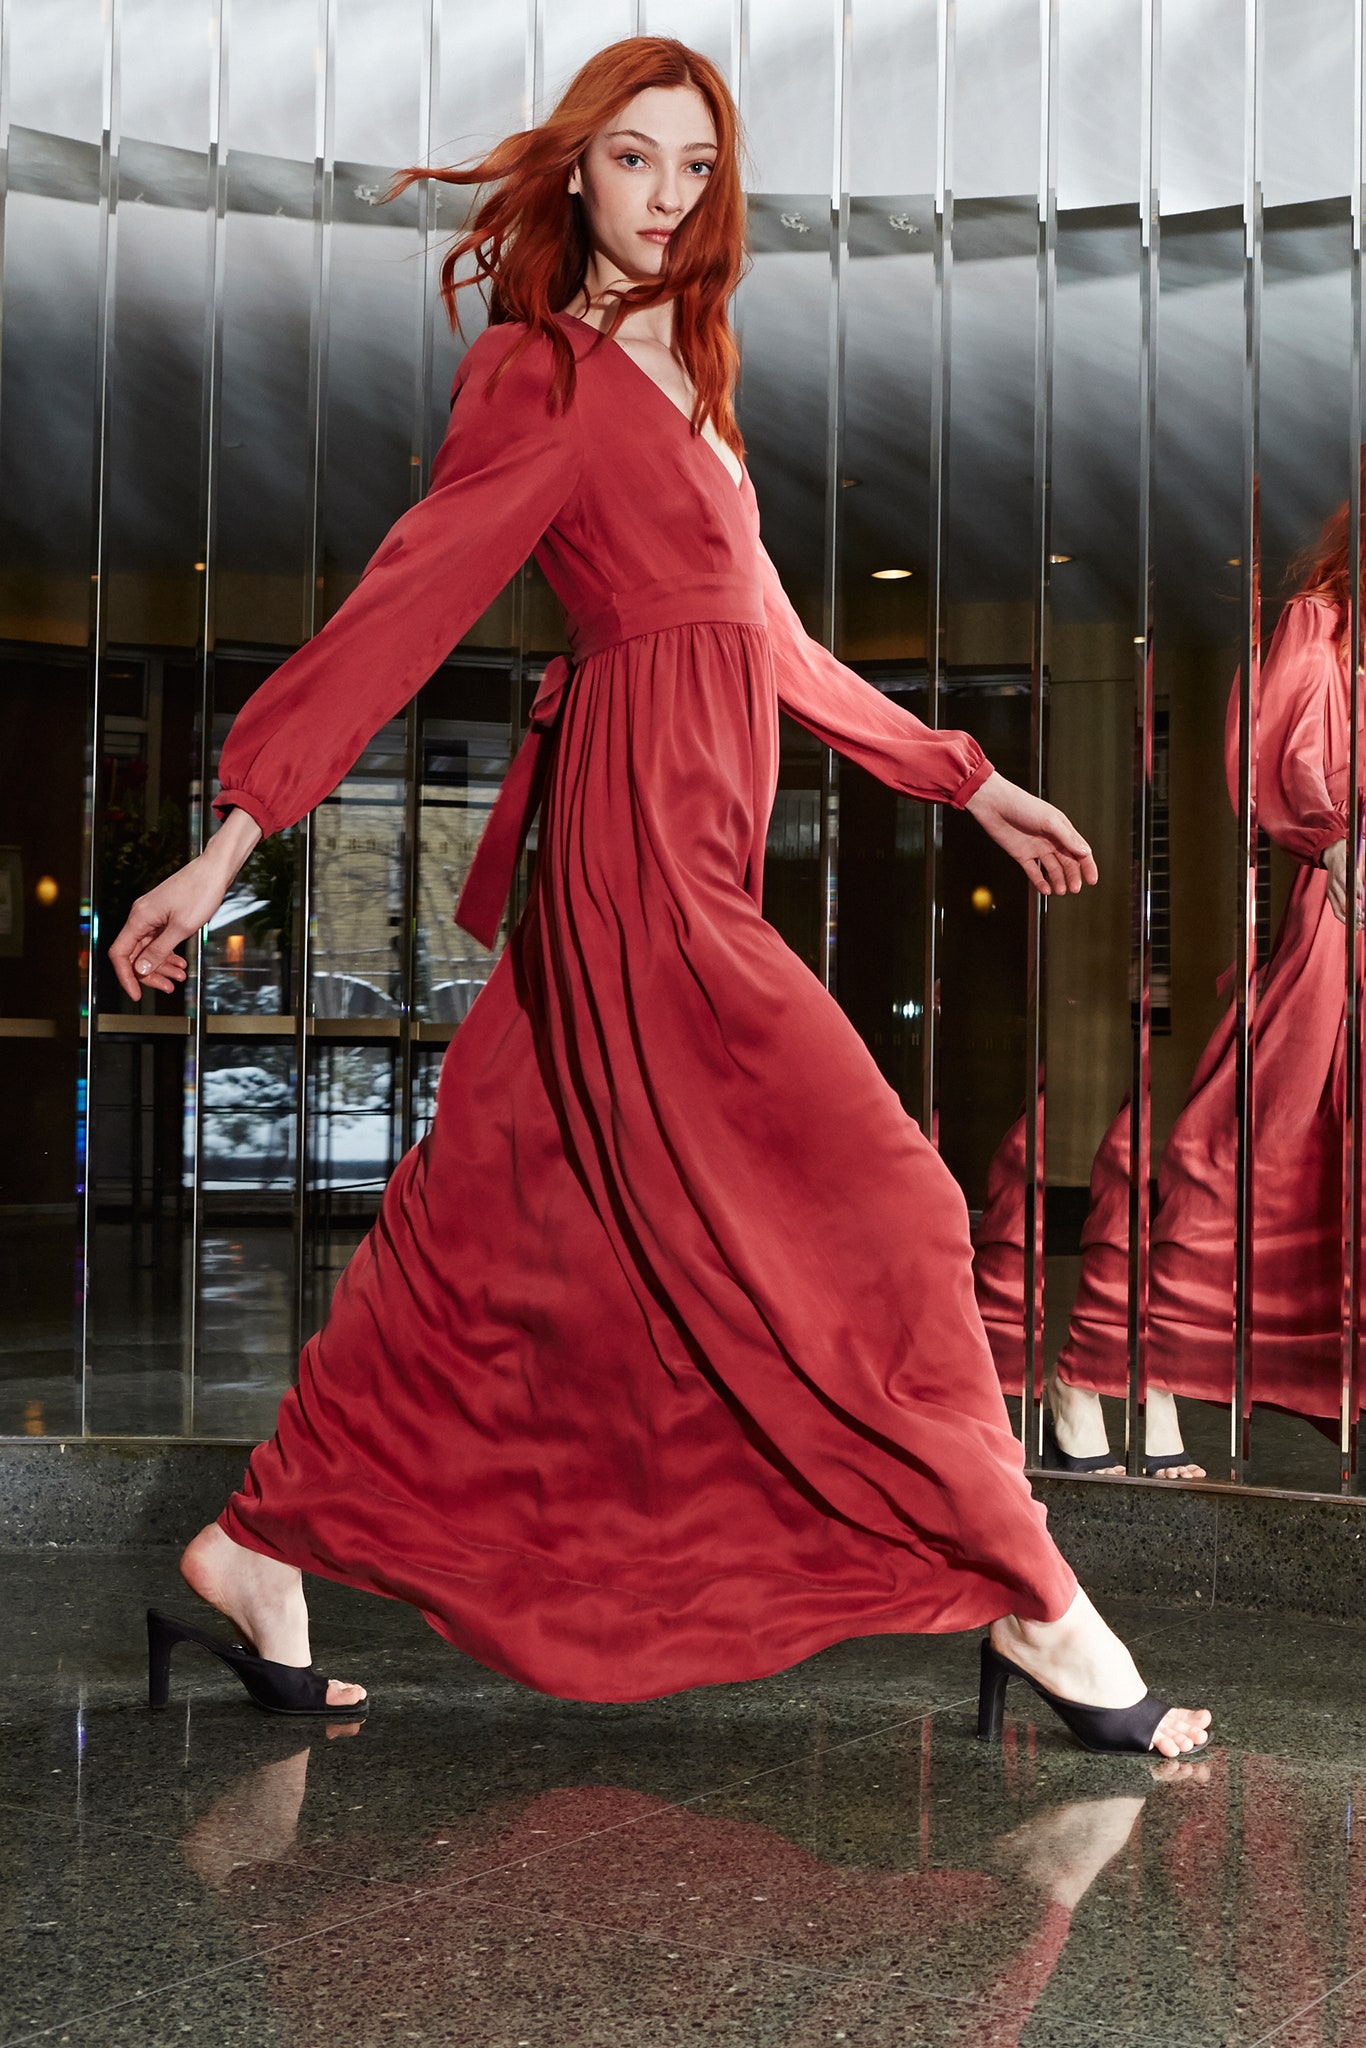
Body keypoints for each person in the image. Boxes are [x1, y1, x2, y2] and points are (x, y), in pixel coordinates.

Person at [112, 37, 1209, 1757]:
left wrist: (965, 776)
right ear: (576, 174)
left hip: (688, 845)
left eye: (696, 169)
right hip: (642, 865)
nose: (666, 199)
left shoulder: (698, 386)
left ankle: (253, 1542)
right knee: (896, 1209)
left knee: (489, 1228)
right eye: (634, 161)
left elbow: (768, 641)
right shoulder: (539, 376)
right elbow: (403, 605)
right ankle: (1036, 1598)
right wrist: (231, 834)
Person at [1049, 498, 1365, 1468]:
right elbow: (1282, 760)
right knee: (1244, 1164)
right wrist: (1332, 830)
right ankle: (1100, 1377)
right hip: (1339, 920)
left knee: (1280, 1175)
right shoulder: (1321, 620)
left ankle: (1131, 1383)